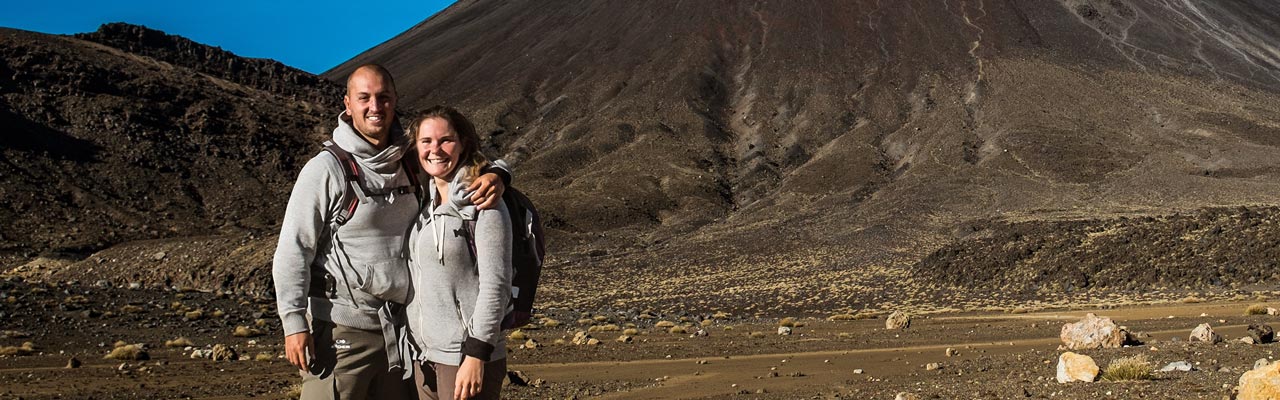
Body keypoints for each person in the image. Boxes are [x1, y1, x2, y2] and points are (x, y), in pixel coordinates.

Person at [273, 64, 507, 400]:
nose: (374, 106)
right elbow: (294, 248)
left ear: (395, 100)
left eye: (383, 97)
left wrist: (500, 174)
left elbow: (458, 158)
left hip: (403, 335)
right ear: (347, 103)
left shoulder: (410, 160)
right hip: (342, 330)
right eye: (364, 98)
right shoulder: (326, 170)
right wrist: (294, 322)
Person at [405, 106, 513, 400]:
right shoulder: (425, 205)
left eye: (446, 140)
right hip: (426, 356)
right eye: (426, 141)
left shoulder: (484, 201)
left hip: (466, 358)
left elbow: (497, 285)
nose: (435, 150)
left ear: (464, 143)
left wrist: (477, 354)